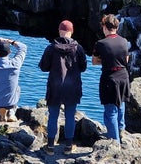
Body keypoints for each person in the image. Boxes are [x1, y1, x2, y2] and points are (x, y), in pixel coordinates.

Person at [39, 20, 87, 155]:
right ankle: (68, 147)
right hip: (72, 87)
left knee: (53, 116)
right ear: (71, 32)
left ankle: (50, 147)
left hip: (55, 86)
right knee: (70, 116)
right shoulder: (78, 48)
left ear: (60, 31)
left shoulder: (51, 48)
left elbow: (43, 67)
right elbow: (83, 67)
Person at [92, 14, 131, 144]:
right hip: (123, 77)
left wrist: (107, 60)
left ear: (105, 27)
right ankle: (121, 131)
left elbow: (94, 61)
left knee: (110, 112)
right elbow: (126, 59)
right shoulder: (124, 41)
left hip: (110, 79)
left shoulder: (100, 44)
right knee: (121, 104)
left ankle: (114, 142)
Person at [0, 37, 27, 122]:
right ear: (10, 52)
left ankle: (0, 112)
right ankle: (11, 112)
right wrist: (8, 41)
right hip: (11, 103)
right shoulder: (16, 64)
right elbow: (23, 47)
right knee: (17, 88)